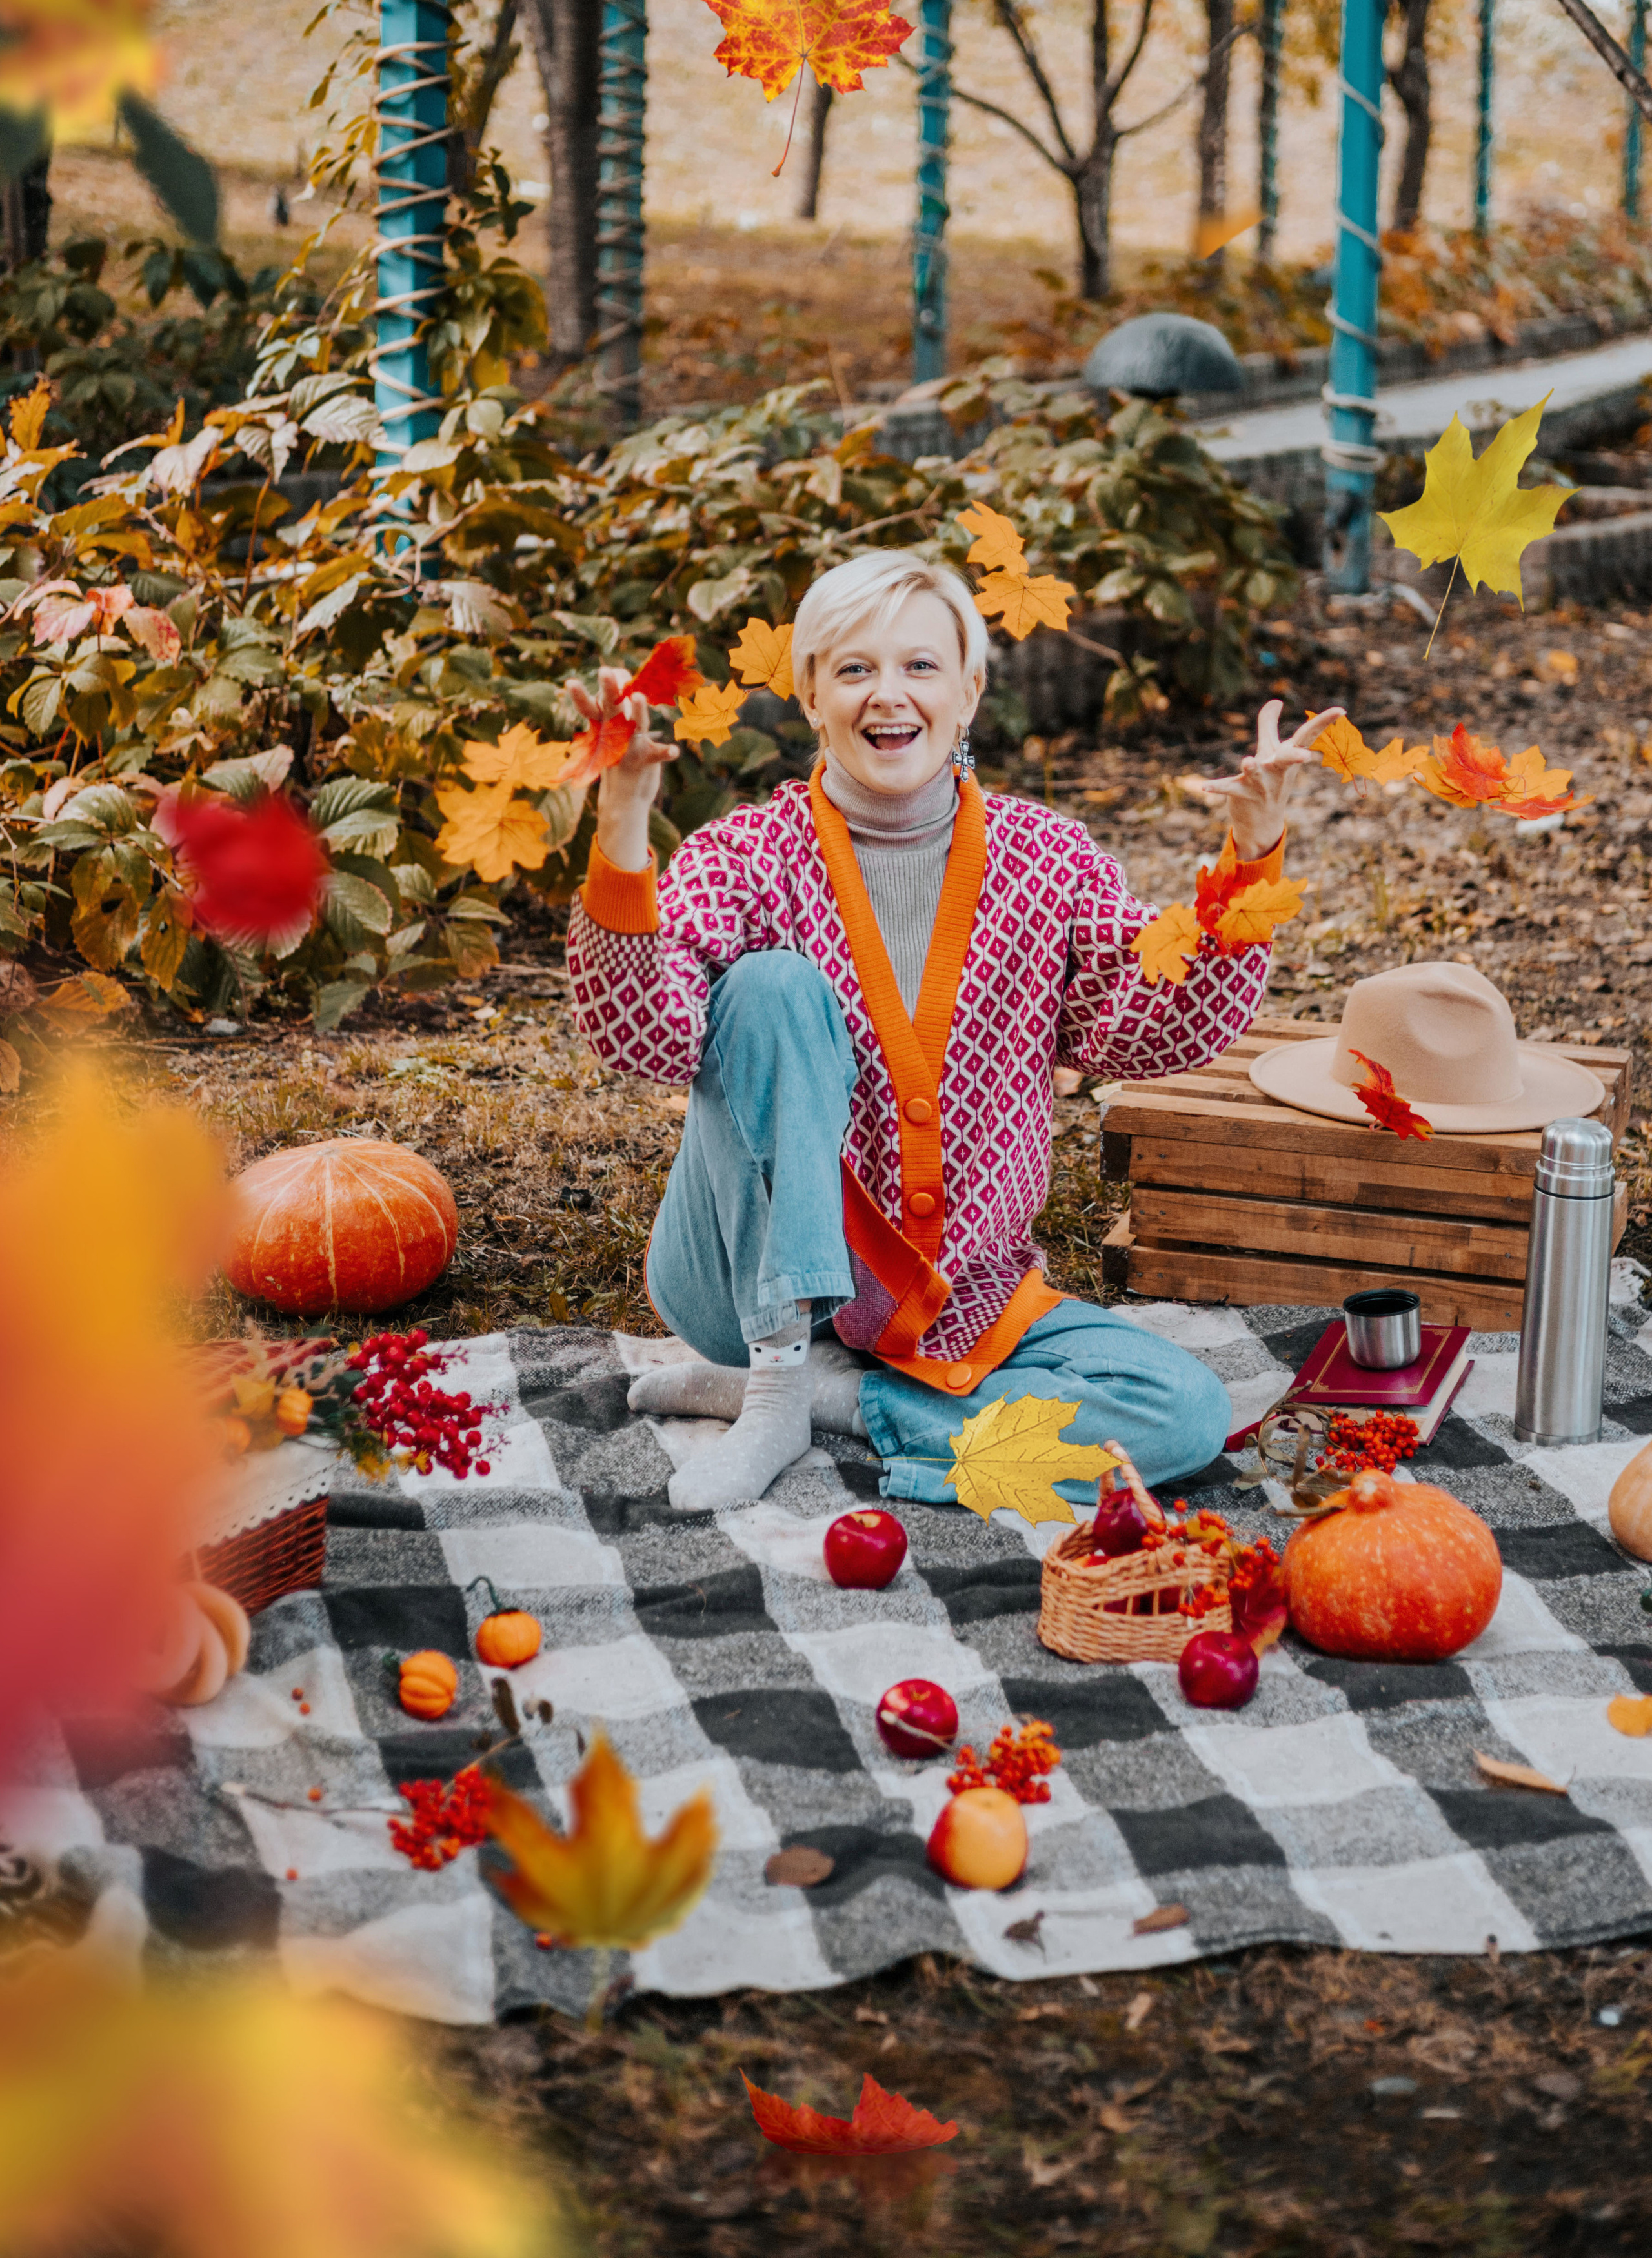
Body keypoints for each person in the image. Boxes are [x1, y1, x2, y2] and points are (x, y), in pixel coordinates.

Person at [565, 550, 1339, 1515]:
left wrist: (1250, 863)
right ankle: (772, 1378)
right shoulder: (749, 855)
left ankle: (842, 1400)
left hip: (959, 1300)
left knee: (1183, 1412)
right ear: (810, 696)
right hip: (739, 1279)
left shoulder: (1045, 859)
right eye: (853, 669)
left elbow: (1153, 1026)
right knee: (768, 988)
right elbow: (644, 1035)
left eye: (920, 667)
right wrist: (625, 821)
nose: (888, 694)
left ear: (969, 692)